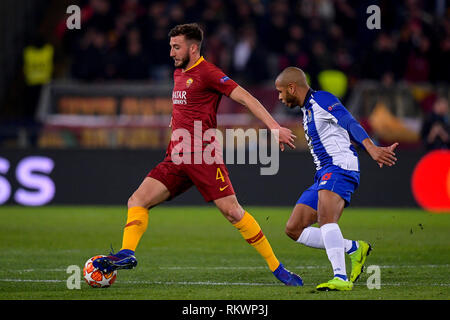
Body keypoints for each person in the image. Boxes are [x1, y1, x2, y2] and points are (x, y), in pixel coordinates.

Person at [94, 23, 303, 286]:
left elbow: (246, 98)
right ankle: (127, 254)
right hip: (177, 156)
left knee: (233, 213)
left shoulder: (208, 73)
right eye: (170, 47)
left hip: (202, 156)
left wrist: (274, 127)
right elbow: (184, 107)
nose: (171, 53)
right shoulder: (178, 73)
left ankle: (278, 268)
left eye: (176, 47)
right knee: (137, 200)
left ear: (193, 48)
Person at [274, 67, 399, 291]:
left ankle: (340, 278)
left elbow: (350, 122)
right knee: (293, 228)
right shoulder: (307, 111)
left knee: (326, 219)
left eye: (281, 92)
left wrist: (371, 148)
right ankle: (353, 248)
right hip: (324, 173)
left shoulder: (322, 99)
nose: (280, 97)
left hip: (340, 167)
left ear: (292, 87)